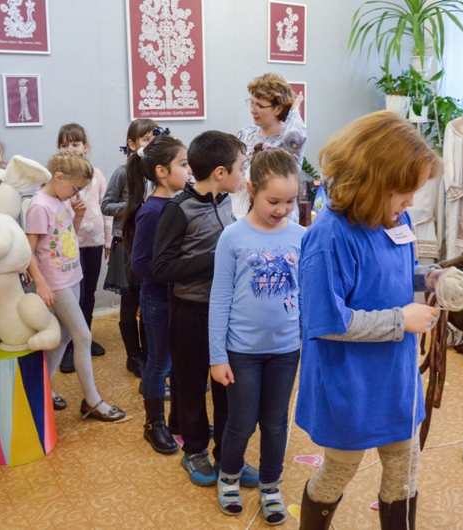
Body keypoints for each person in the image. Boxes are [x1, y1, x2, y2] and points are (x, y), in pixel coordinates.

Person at [295, 111, 443, 530]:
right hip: (350, 381)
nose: (411, 202)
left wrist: (430, 276)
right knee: (339, 470)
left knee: (404, 467)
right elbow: (328, 322)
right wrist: (402, 319)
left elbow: (395, 272)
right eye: (403, 192)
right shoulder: (329, 236)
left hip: (395, 375)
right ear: (372, 181)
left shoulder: (396, 218)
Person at [153, 131, 258, 487]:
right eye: (240, 169)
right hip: (190, 313)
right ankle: (194, 450)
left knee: (229, 387)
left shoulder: (227, 202)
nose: (244, 176)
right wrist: (216, 259)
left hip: (228, 313)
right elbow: (161, 268)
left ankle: (230, 455)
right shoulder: (177, 210)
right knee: (192, 385)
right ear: (218, 172)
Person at [209, 145, 305, 524]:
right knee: (241, 421)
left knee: (276, 422)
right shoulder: (233, 237)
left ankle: (270, 484)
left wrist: (307, 346)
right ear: (250, 189)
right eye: (273, 201)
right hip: (241, 352)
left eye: (289, 201)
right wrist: (217, 356)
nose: (281, 209)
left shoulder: (301, 235)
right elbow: (219, 300)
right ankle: (229, 475)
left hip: (285, 350)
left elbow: (306, 296)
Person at [25, 149, 125, 422]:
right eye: (75, 188)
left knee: (66, 336)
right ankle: (92, 401)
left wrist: (77, 215)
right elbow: (28, 251)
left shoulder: (61, 200)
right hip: (55, 283)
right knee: (83, 336)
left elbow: (66, 236)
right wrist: (41, 283)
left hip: (72, 276)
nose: (76, 194)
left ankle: (39, 388)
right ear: (59, 177)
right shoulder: (39, 205)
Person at [127, 133, 189, 455]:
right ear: (162, 172)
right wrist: (175, 271)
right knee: (159, 363)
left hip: (179, 299)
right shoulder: (152, 211)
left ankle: (179, 420)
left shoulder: (180, 203)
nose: (189, 169)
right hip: (157, 300)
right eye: (183, 163)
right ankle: (154, 424)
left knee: (179, 362)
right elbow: (139, 262)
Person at [56, 123, 113, 373]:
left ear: (85, 147)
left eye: (75, 144)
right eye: (65, 145)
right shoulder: (57, 178)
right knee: (71, 297)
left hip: (93, 242)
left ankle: (84, 338)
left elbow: (106, 209)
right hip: (69, 246)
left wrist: (109, 239)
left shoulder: (97, 175)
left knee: (88, 293)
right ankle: (68, 345)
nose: (71, 149)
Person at [102, 119, 156, 378]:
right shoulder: (122, 172)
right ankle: (133, 357)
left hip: (150, 245)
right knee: (129, 304)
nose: (151, 144)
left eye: (154, 138)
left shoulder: (157, 171)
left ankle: (149, 355)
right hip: (126, 244)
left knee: (148, 304)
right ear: (132, 144)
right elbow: (106, 205)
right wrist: (132, 209)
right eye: (146, 139)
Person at [234, 73, 307, 221]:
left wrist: (294, 109)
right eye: (252, 103)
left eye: (259, 106)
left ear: (278, 109)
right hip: (246, 216)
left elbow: (296, 133)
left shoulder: (289, 140)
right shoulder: (244, 134)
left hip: (281, 218)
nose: (252, 110)